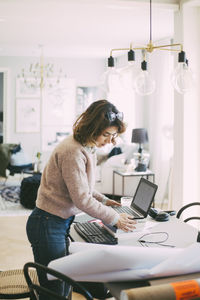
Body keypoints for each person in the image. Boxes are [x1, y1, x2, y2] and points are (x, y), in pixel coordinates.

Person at [26, 99, 136, 299]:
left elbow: (83, 187)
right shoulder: (73, 151)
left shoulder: (86, 145)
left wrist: (104, 201)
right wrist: (113, 217)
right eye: (107, 135)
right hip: (47, 223)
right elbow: (82, 200)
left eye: (114, 136)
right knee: (55, 289)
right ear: (93, 128)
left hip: (55, 221)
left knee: (62, 283)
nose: (111, 142)